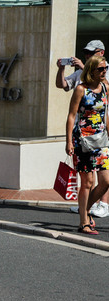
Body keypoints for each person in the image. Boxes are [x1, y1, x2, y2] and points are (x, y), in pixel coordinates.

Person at [57, 39, 109, 218]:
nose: (103, 71)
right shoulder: (81, 88)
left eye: (105, 69)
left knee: (105, 181)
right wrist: (69, 141)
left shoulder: (105, 84)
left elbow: (106, 113)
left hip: (101, 139)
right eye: (100, 69)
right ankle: (84, 217)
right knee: (88, 181)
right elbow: (70, 113)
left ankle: (90, 207)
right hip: (83, 139)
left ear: (101, 53)